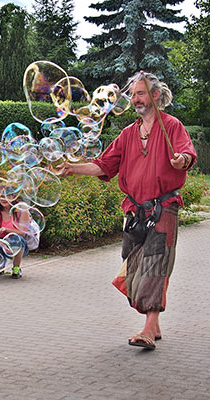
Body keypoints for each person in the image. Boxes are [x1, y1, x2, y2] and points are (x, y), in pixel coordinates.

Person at [58, 72, 197, 350]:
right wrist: (72, 168)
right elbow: (103, 165)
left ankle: (147, 329)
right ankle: (154, 324)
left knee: (155, 265)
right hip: (135, 213)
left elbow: (187, 155)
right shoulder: (127, 134)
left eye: (141, 94)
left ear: (155, 96)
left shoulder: (172, 126)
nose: (135, 99)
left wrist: (181, 160)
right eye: (133, 95)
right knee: (132, 265)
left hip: (163, 209)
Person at [0, 196, 31, 279]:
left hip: (18, 244)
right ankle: (0, 266)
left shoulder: (21, 210)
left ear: (14, 196)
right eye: (1, 196)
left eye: (7, 196)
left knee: (17, 239)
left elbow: (22, 233)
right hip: (1, 243)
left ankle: (16, 268)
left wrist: (6, 229)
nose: (3, 199)